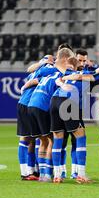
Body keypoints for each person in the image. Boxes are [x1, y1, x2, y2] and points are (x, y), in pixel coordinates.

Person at [26, 48, 75, 182]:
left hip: (31, 105)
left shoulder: (48, 74)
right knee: (52, 141)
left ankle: (42, 173)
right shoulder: (61, 75)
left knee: (42, 140)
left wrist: (23, 88)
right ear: (65, 60)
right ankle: (47, 173)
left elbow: (32, 81)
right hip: (42, 106)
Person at [50, 56, 92, 184]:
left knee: (58, 138)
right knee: (80, 136)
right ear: (78, 65)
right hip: (69, 100)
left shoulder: (63, 74)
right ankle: (81, 175)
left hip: (55, 101)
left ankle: (57, 175)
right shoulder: (84, 74)